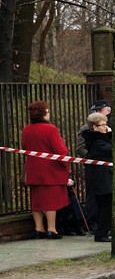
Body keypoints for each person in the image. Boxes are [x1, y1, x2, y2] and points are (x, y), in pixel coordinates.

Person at [20, 101, 74, 239]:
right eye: (48, 111)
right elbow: (60, 150)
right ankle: (51, 229)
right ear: (44, 114)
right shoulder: (51, 130)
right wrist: (65, 166)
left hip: (33, 169)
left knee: (36, 201)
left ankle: (39, 228)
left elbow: (24, 147)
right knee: (51, 201)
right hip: (50, 170)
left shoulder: (26, 129)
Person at [82, 113, 113, 242]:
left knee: (107, 205)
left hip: (106, 174)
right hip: (102, 177)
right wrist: (111, 135)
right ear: (94, 127)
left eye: (106, 124)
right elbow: (111, 149)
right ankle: (101, 233)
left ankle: (104, 231)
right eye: (102, 125)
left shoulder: (102, 138)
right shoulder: (97, 141)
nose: (105, 127)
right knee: (105, 205)